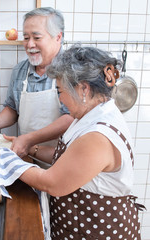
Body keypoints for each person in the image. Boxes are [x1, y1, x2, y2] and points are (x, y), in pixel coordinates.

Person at [11, 45, 144, 239]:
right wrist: (30, 148)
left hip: (99, 230)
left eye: (60, 91)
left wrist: (8, 163)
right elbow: (67, 160)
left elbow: (52, 182)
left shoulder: (97, 136)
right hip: (82, 225)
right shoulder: (91, 115)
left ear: (83, 88)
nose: (60, 99)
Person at [0, 7, 73, 158]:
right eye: (26, 38)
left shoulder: (73, 70)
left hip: (62, 160)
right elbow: (13, 109)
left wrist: (29, 140)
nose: (30, 45)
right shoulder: (20, 71)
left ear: (58, 37)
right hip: (26, 157)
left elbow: (71, 118)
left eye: (37, 37)